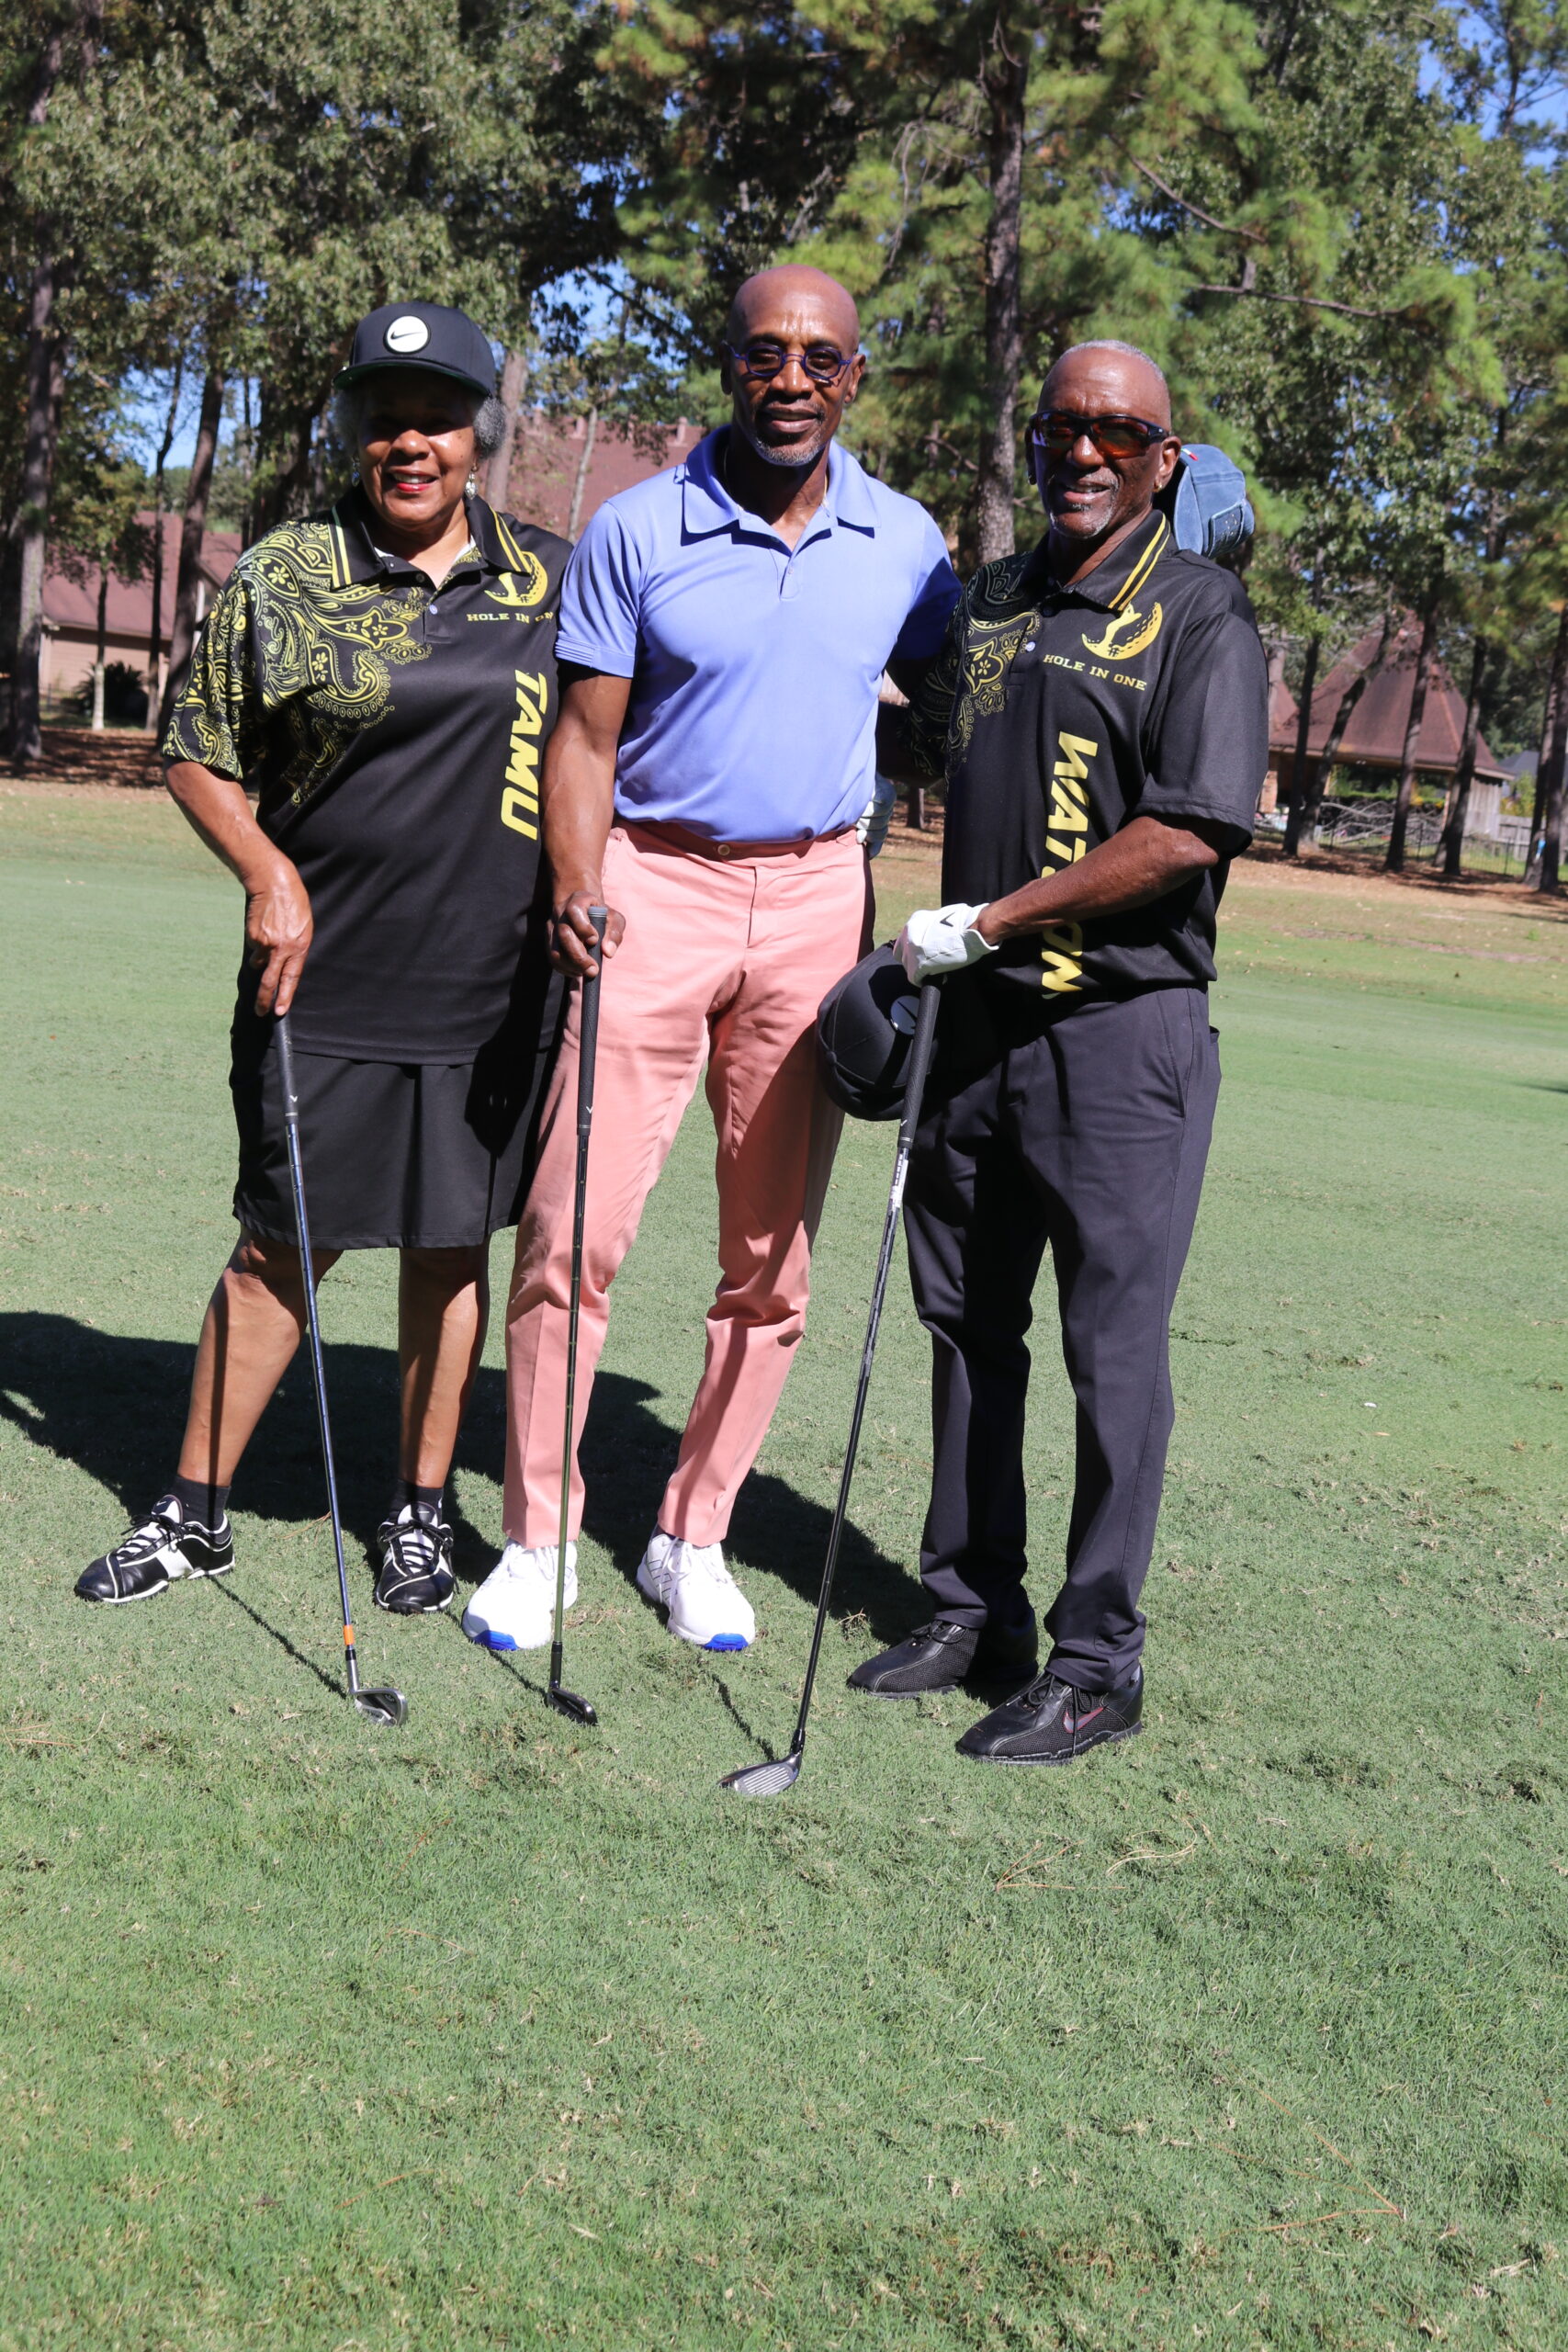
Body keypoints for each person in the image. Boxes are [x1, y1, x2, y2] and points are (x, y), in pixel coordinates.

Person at [461, 265, 959, 1656]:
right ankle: (540, 1539)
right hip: (652, 883)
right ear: (729, 365)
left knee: (771, 1262)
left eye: (820, 357)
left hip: (817, 898)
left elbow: (955, 701)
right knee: (572, 1236)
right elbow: (583, 737)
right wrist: (576, 879)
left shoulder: (906, 542)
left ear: (856, 377)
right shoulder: (637, 526)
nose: (791, 379)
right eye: (765, 354)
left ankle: (694, 1533)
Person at [76, 302, 570, 1617]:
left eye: (438, 419)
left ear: (480, 433)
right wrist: (267, 871)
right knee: (280, 1248)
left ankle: (418, 1512)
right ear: (353, 432)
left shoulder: (556, 578)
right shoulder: (286, 572)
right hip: (321, 981)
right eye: (383, 419)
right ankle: (193, 1512)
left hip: (493, 991)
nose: (410, 443)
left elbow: (612, 739)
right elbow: (194, 747)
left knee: (448, 1251)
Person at [852, 339, 1268, 1763]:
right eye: (1061, 429)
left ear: (1164, 457)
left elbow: (1189, 828)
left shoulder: (1201, 613)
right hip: (975, 1032)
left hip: (1117, 1035)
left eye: (1117, 433)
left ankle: (1098, 1665)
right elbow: (925, 746)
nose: (1084, 453)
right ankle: (974, 1610)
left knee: (1112, 1351)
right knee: (967, 1324)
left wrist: (993, 921)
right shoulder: (993, 600)